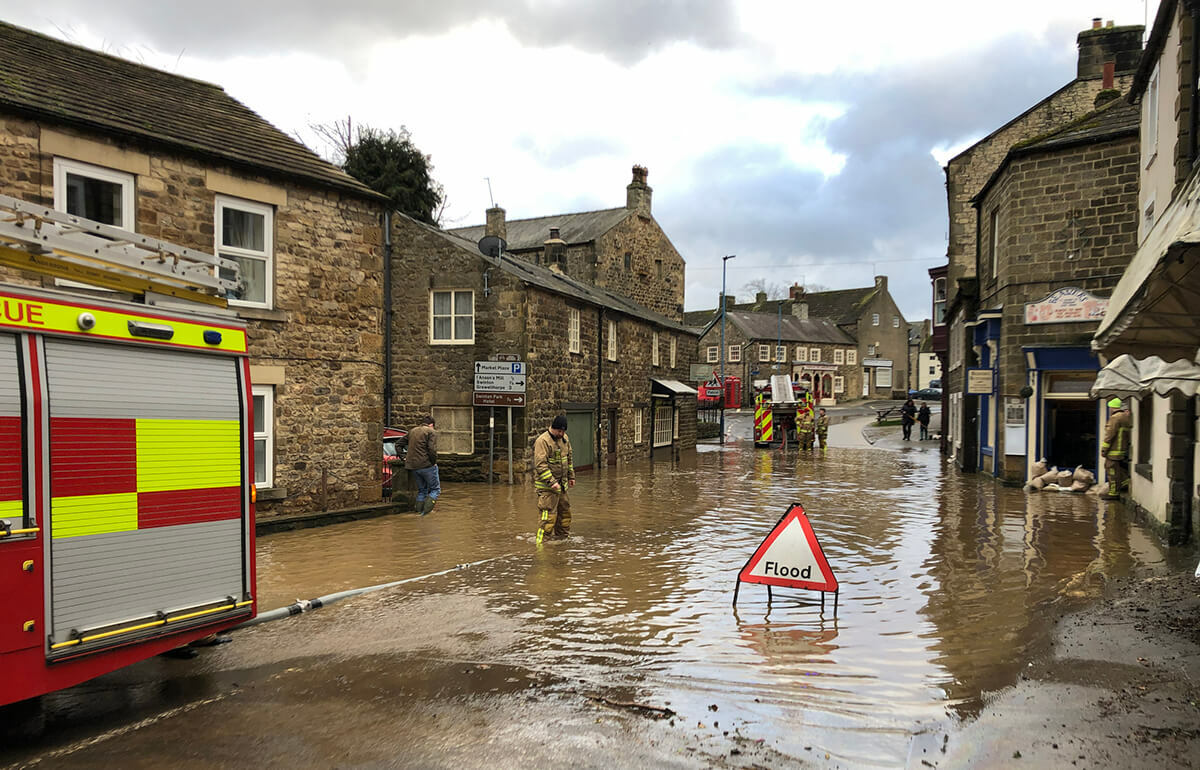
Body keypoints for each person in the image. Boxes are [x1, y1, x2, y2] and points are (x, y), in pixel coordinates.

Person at [533, 414, 575, 544]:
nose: (562, 434)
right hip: (547, 489)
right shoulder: (543, 441)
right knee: (548, 518)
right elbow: (541, 466)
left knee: (565, 516)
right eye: (560, 431)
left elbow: (569, 459)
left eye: (563, 431)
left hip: (562, 486)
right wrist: (552, 482)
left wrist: (571, 476)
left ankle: (562, 542)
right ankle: (542, 545)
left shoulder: (565, 439)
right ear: (553, 428)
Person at [405, 415, 439, 515]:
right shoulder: (431, 431)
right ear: (431, 425)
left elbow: (398, 444)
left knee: (422, 491)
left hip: (414, 467)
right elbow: (432, 450)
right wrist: (433, 463)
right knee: (435, 490)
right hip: (427, 466)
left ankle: (418, 512)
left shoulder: (412, 431)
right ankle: (424, 514)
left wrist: (403, 456)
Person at [1101, 397, 1131, 500]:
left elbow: (1109, 435)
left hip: (1114, 451)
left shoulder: (1115, 418)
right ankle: (1124, 482)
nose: (1109, 409)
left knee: (1111, 471)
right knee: (1119, 470)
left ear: (1113, 407)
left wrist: (1104, 449)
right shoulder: (1126, 417)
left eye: (1110, 407)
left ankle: (1113, 493)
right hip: (1122, 450)